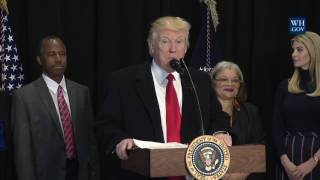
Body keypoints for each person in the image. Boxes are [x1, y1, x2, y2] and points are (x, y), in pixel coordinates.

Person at [96, 16, 231, 180]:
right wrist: (120, 140)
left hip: (192, 174)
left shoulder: (199, 80)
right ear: (151, 47)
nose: (173, 49)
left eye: (179, 42)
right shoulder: (123, 81)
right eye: (165, 41)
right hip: (141, 174)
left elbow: (218, 116)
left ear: (186, 48)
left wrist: (220, 132)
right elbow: (106, 125)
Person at [11, 35, 99, 180]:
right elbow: (22, 152)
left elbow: (91, 142)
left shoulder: (82, 92)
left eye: (62, 54)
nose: (58, 59)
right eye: (52, 54)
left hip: (79, 173)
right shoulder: (24, 97)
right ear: (40, 60)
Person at [272, 31, 320, 180]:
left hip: (316, 160)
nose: (293, 54)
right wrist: (284, 161)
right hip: (288, 157)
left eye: (299, 50)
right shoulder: (284, 87)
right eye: (293, 50)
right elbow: (276, 126)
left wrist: (313, 162)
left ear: (313, 51)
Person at [209, 61, 265, 180]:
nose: (230, 84)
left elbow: (258, 146)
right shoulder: (201, 111)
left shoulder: (251, 111)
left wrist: (242, 173)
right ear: (213, 83)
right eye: (223, 79)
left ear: (240, 85)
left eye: (235, 80)